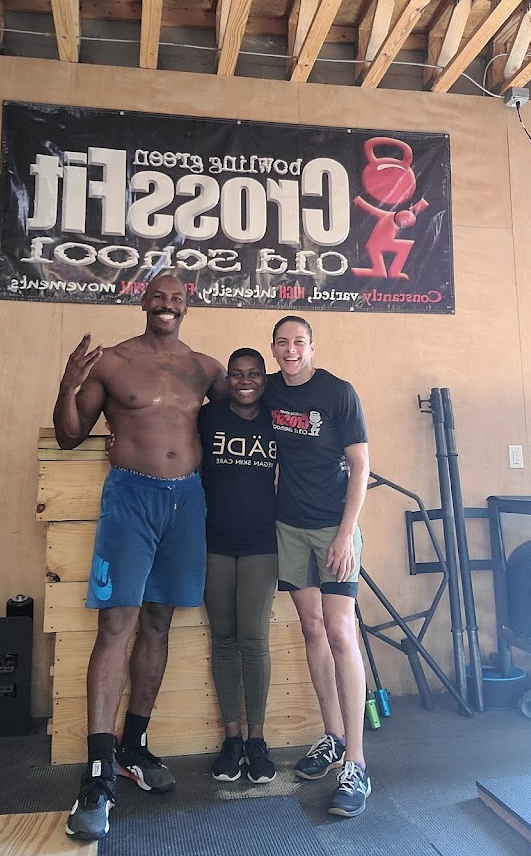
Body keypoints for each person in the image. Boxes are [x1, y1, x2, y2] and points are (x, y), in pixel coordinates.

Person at [53, 274, 227, 841]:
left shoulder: (207, 369)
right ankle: (98, 773)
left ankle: (134, 746)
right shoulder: (112, 362)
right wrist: (67, 385)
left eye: (177, 298)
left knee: (158, 621)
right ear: (142, 300)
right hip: (130, 499)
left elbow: (253, 407)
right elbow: (69, 435)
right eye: (158, 296)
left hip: (188, 501)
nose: (167, 305)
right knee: (116, 626)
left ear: (187, 306)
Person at [263, 315, 371, 818]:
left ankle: (357, 762)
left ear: (312, 346)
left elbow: (361, 465)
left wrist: (347, 533)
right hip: (289, 527)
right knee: (312, 628)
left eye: (299, 342)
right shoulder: (267, 391)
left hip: (333, 528)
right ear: (273, 348)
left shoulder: (338, 393)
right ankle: (332, 736)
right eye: (282, 343)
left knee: (340, 631)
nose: (291, 350)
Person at [198, 348, 279, 785]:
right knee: (224, 639)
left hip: (261, 543)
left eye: (254, 373)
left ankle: (256, 741)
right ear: (227, 380)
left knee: (254, 638)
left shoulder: (277, 420)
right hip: (214, 542)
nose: (245, 381)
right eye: (237, 374)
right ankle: (232, 740)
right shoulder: (208, 417)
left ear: (265, 378)